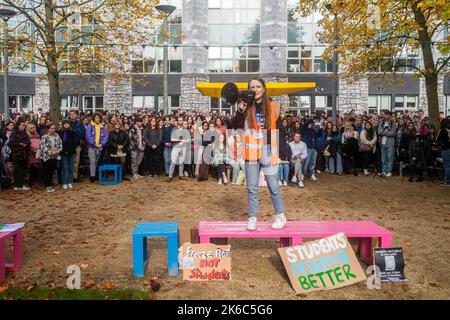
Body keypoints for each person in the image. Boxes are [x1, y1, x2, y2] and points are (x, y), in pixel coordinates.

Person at [231, 76, 286, 230]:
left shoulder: (273, 106)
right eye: (252, 87)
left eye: (258, 86)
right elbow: (235, 126)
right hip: (251, 150)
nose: (255, 89)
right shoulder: (246, 107)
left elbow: (281, 129)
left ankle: (280, 215)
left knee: (273, 186)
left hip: (268, 149)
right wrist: (240, 111)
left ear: (263, 88)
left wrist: (283, 150)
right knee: (252, 187)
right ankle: (253, 217)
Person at [38, 124, 62, 193]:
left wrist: (57, 151)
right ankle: (47, 186)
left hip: (54, 156)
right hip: (46, 157)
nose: (53, 129)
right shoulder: (44, 137)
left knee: (52, 171)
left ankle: (50, 185)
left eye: (54, 128)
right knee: (46, 171)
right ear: (48, 129)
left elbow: (60, 145)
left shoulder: (57, 136)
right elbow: (42, 146)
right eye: (52, 128)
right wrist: (50, 152)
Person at [86, 113, 109, 183]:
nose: (97, 119)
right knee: (92, 161)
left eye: (99, 118)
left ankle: (94, 174)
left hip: (99, 147)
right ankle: (92, 176)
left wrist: (101, 144)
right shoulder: (90, 126)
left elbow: (105, 136)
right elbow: (88, 136)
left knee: (96, 161)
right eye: (96, 117)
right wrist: (94, 143)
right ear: (93, 118)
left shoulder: (102, 127)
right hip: (92, 147)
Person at [167, 116, 191, 182]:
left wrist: (184, 141)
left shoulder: (186, 130)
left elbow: (189, 139)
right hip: (175, 147)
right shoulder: (174, 129)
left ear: (183, 121)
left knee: (181, 162)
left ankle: (181, 175)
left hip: (183, 147)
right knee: (173, 162)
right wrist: (180, 140)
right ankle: (170, 176)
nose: (180, 121)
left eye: (181, 120)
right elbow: (171, 139)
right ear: (177, 121)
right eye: (179, 120)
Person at [8, 121, 31, 191]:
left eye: (24, 125)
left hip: (24, 154)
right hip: (16, 154)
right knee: (17, 169)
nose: (23, 127)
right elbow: (11, 143)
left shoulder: (25, 134)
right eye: (22, 125)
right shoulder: (14, 133)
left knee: (23, 169)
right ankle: (16, 185)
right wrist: (20, 144)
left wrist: (25, 144)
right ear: (18, 126)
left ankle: (21, 184)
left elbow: (28, 142)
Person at [58, 120, 77, 189]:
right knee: (64, 168)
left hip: (71, 152)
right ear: (63, 125)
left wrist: (70, 151)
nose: (66, 125)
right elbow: (59, 143)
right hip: (63, 153)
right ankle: (64, 182)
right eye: (65, 124)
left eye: (67, 124)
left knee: (71, 168)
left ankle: (70, 182)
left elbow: (74, 143)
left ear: (69, 125)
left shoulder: (72, 133)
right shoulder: (60, 133)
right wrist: (64, 151)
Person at [378, 113, 397, 177]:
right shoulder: (382, 122)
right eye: (386, 115)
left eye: (389, 115)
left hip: (390, 143)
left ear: (391, 116)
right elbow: (379, 132)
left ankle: (389, 171)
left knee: (390, 158)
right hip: (383, 142)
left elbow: (393, 133)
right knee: (383, 158)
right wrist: (387, 132)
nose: (387, 116)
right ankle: (384, 170)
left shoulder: (393, 123)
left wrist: (384, 132)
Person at [68, 110, 85, 182]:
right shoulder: (67, 123)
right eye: (71, 114)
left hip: (77, 145)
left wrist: (82, 141)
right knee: (69, 161)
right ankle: (68, 177)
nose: (72, 115)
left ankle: (75, 176)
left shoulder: (79, 123)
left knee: (76, 162)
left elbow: (83, 132)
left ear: (76, 115)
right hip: (69, 146)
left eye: (73, 114)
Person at [26, 123, 41, 187]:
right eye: (31, 128)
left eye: (33, 127)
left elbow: (40, 143)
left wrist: (38, 149)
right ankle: (31, 182)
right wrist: (33, 150)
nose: (33, 129)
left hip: (37, 153)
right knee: (32, 167)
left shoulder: (38, 135)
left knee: (37, 167)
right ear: (28, 129)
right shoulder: (27, 136)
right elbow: (28, 145)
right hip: (30, 154)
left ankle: (36, 182)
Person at [437, 118, 450, 187]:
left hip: (446, 149)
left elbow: (438, 139)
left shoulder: (442, 130)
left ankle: (448, 181)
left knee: (447, 166)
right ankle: (446, 180)